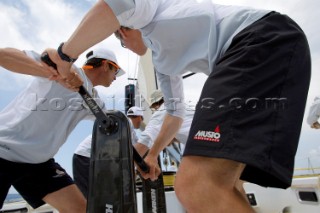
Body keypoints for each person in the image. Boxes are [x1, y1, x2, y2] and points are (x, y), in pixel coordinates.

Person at [44, 0, 311, 212]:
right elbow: (175, 113)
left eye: (121, 41)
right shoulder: (164, 63)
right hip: (276, 48)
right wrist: (151, 156)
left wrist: (65, 54)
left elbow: (115, 5)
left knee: (197, 185)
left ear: (124, 31)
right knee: (225, 185)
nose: (125, 45)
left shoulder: (148, 12)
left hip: (258, 39)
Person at [0, 47, 125, 212]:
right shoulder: (62, 67)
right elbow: (3, 56)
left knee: (81, 210)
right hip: (3, 150)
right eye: (115, 70)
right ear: (105, 65)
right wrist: (51, 73)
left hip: (38, 163)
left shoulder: (94, 100)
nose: (116, 77)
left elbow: (113, 121)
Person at [72, 106, 144, 198]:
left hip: (89, 158)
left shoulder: (125, 126)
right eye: (141, 120)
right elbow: (132, 152)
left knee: (95, 199)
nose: (141, 123)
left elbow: (134, 149)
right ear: (139, 117)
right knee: (93, 200)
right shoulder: (126, 125)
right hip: (87, 158)